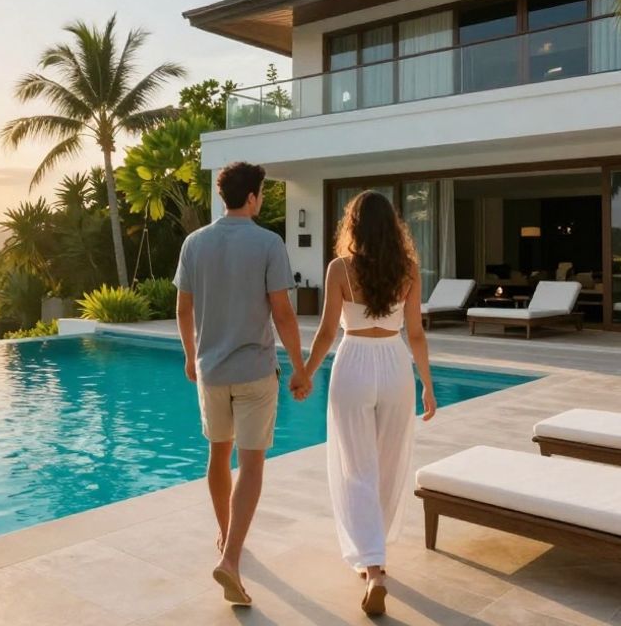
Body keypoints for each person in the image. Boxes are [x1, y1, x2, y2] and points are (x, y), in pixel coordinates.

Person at [292, 190, 436, 617]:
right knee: (389, 465)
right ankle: (377, 556)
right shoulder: (408, 269)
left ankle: (372, 565)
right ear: (393, 226)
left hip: (353, 363)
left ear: (352, 226)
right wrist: (428, 385)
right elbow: (416, 334)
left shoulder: (340, 268)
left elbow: (325, 333)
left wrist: (306, 373)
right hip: (394, 366)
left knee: (357, 469)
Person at [174, 161, 306, 607]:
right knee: (251, 466)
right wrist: (301, 367)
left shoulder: (195, 244)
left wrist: (191, 357)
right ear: (252, 197)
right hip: (254, 372)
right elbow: (283, 313)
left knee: (218, 453)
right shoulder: (268, 242)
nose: (262, 199)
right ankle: (231, 557)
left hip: (211, 372)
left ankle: (225, 536)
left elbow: (182, 309)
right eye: (262, 193)